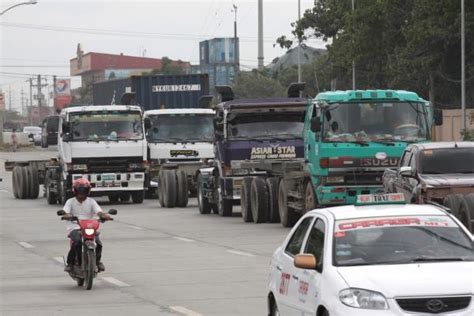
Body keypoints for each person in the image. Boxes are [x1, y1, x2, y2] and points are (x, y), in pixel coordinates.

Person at [61, 178, 111, 272]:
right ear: (75, 190)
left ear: (88, 191)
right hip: (75, 227)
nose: (82, 192)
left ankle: (97, 261)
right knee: (78, 242)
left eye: (84, 190)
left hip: (89, 226)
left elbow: (99, 211)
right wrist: (66, 215)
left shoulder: (91, 201)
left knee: (98, 242)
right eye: (80, 190)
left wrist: (104, 215)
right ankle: (70, 263)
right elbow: (65, 211)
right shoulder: (70, 201)